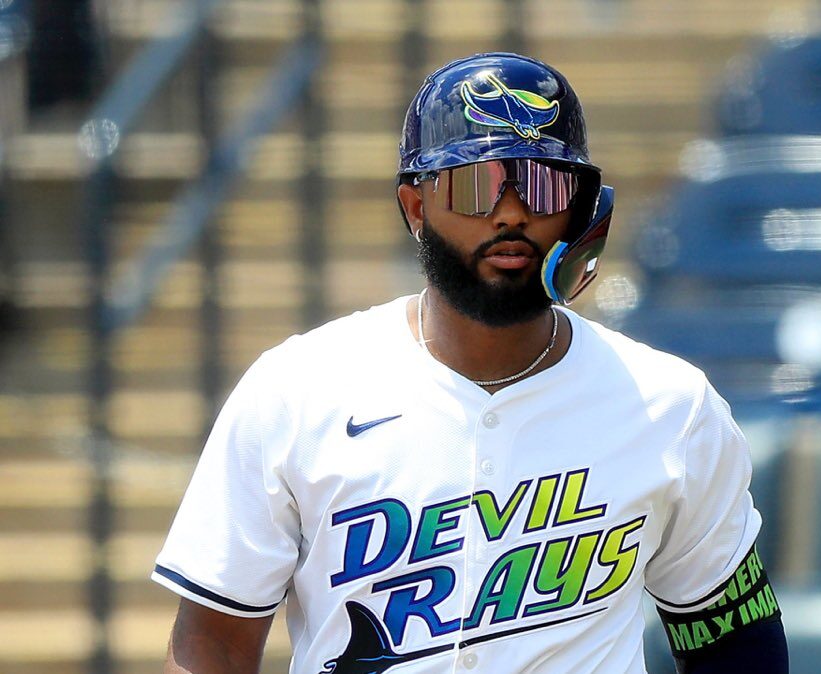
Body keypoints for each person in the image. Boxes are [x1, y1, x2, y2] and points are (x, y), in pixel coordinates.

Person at [154, 53, 788, 674]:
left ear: (582, 207)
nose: (512, 213)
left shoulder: (671, 407)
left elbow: (733, 639)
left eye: (542, 185)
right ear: (416, 207)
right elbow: (212, 645)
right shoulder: (296, 390)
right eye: (476, 186)